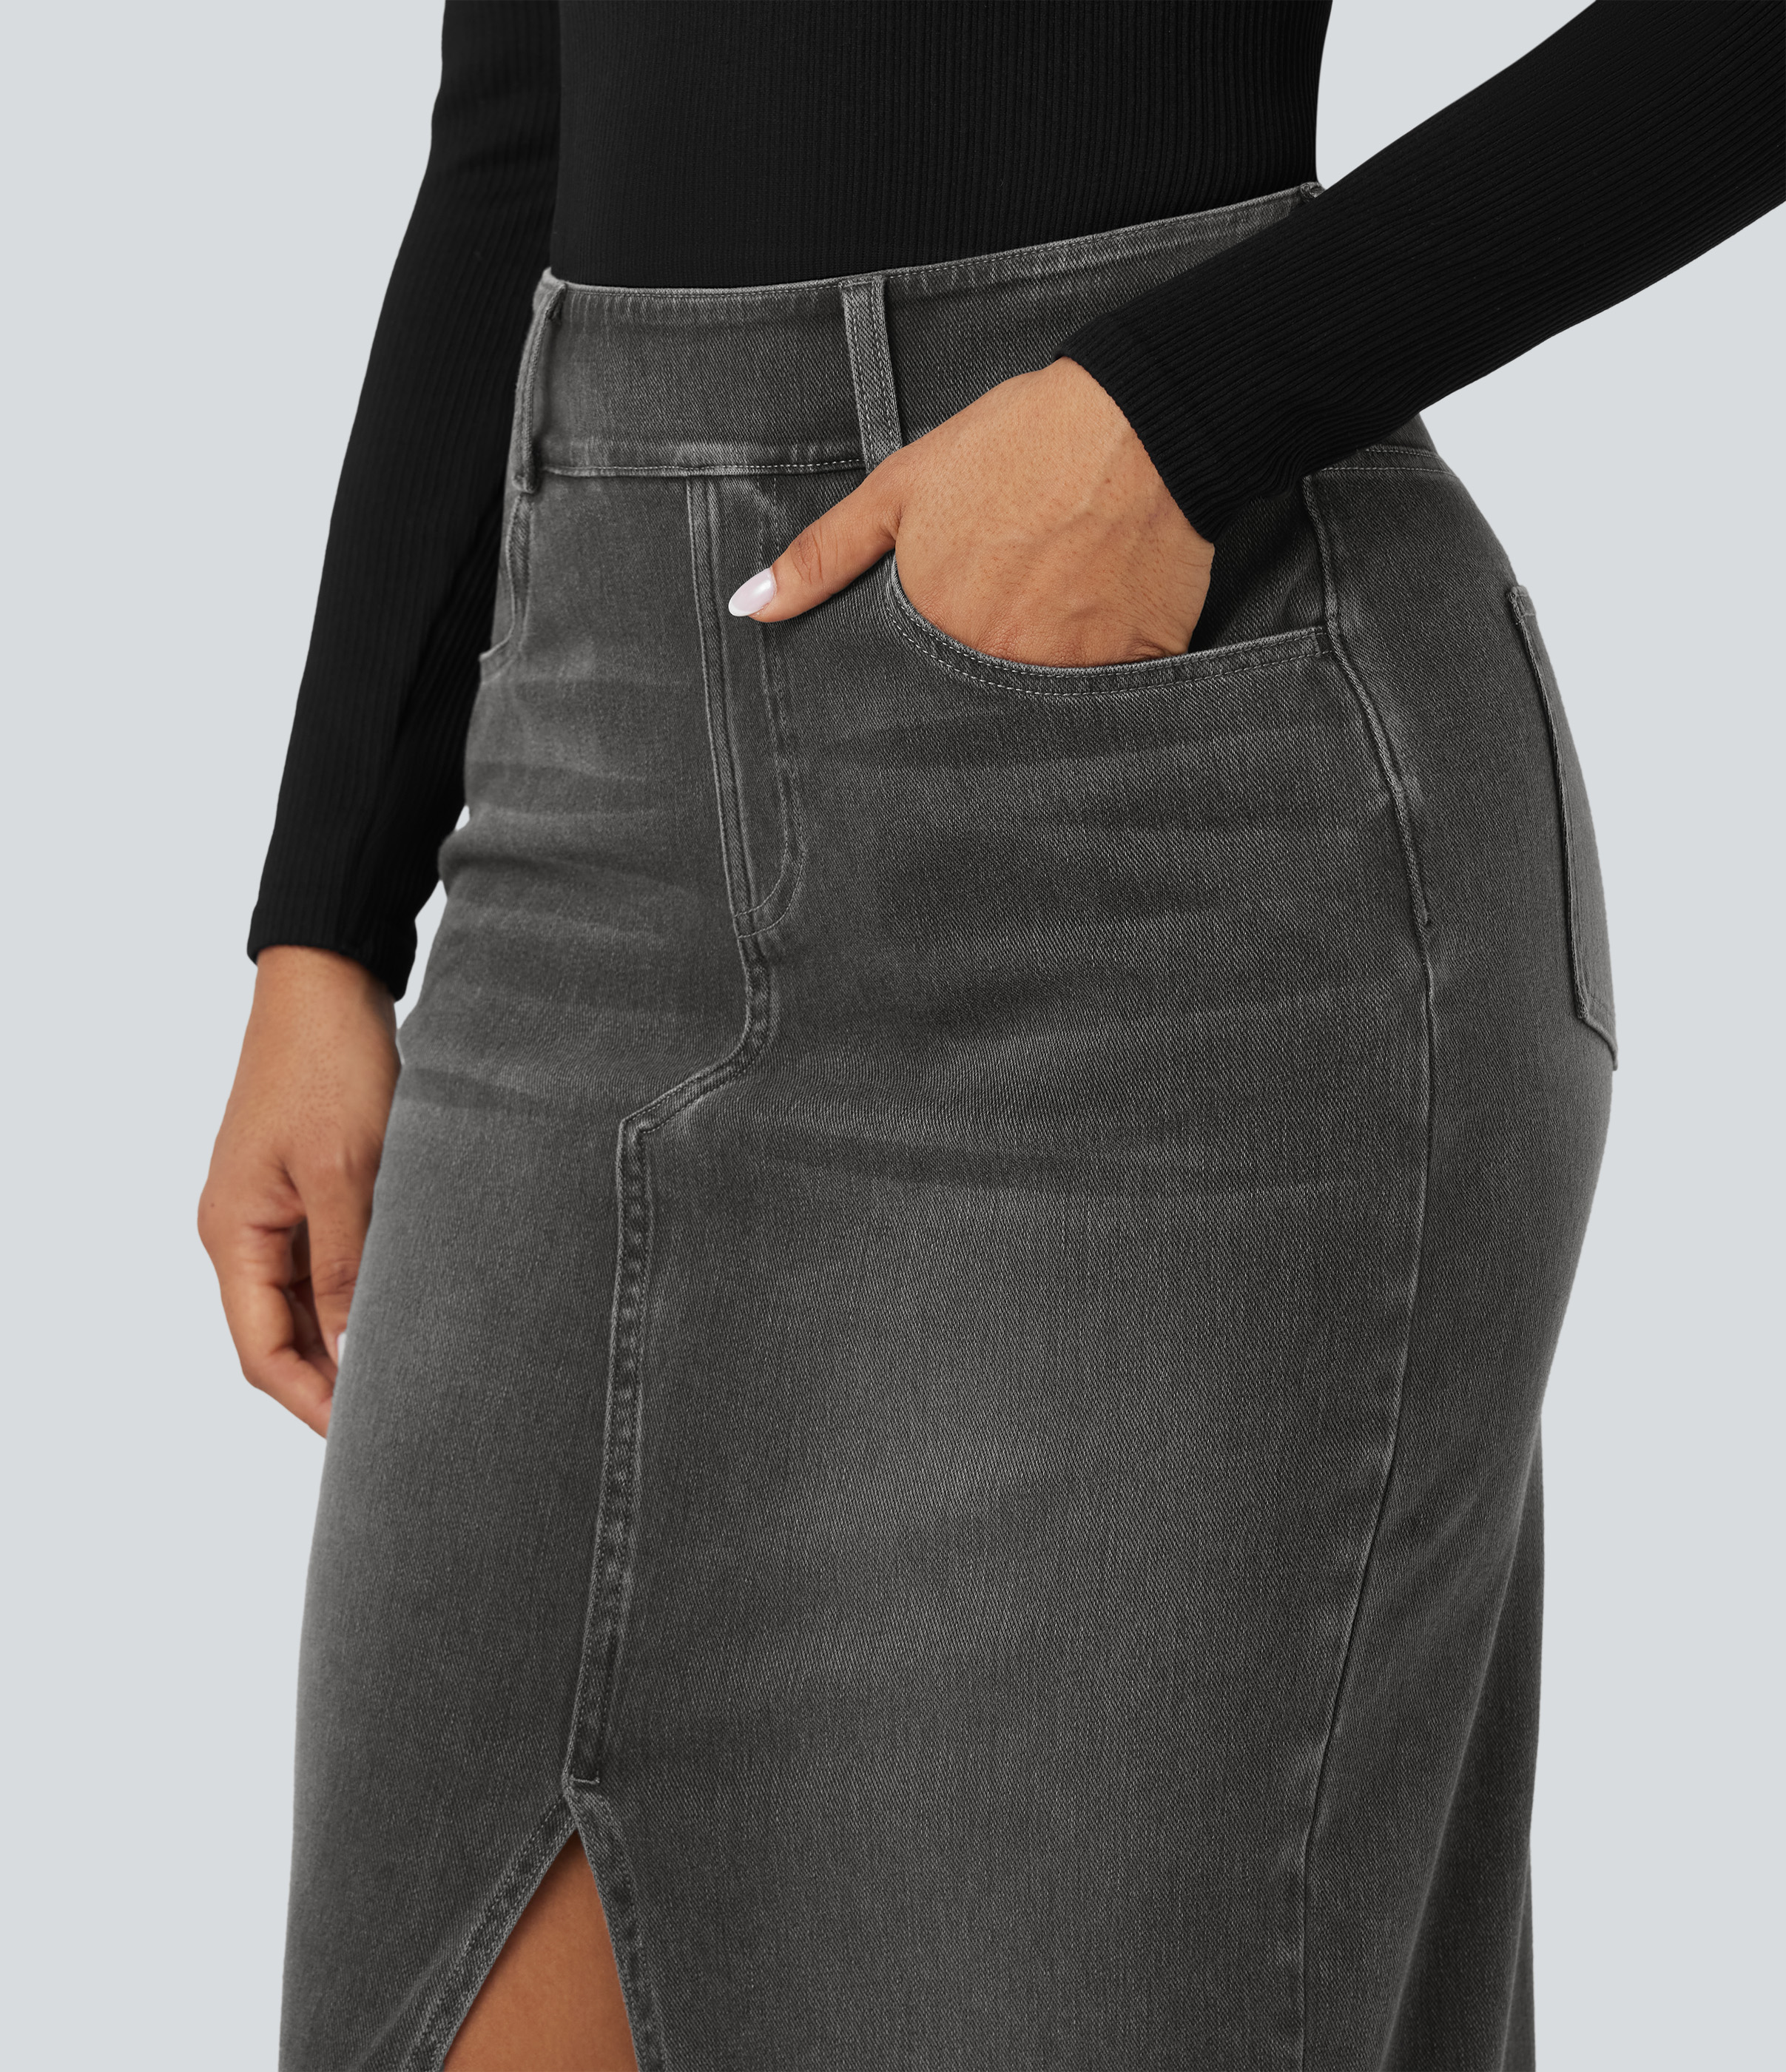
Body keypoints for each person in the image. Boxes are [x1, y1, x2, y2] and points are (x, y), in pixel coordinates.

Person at [198, 5, 1782, 2067]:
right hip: (580, 800)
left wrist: (1170, 413)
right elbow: (522, 113)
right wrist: (327, 913)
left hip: (1160, 838)